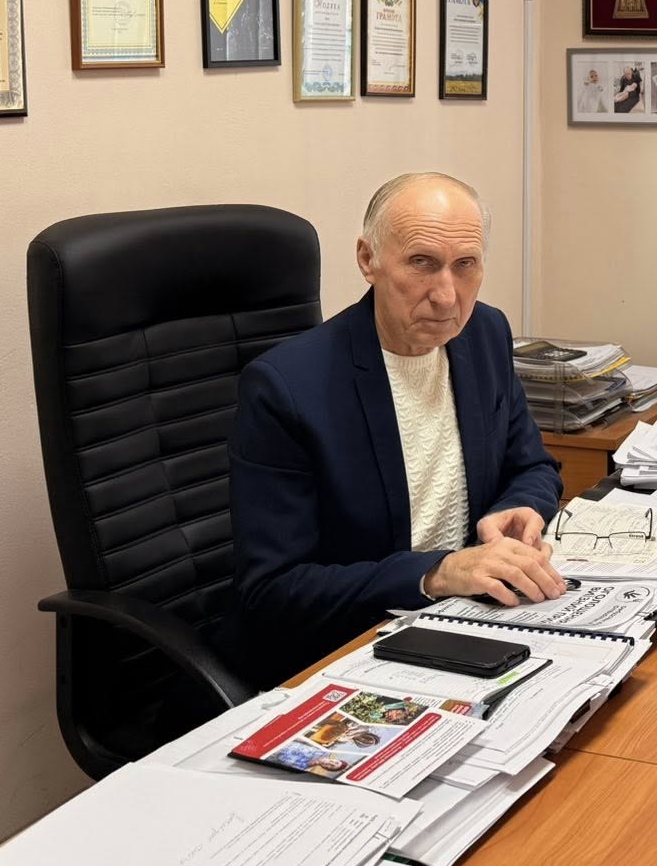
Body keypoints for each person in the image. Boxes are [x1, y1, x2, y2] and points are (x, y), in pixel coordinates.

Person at [218, 173, 566, 686]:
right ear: (368, 260)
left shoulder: (485, 333)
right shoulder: (286, 387)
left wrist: (518, 507)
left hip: (468, 619)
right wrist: (436, 573)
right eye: (422, 262)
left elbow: (533, 465)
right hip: (346, 647)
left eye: (465, 265)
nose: (447, 296)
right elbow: (272, 590)